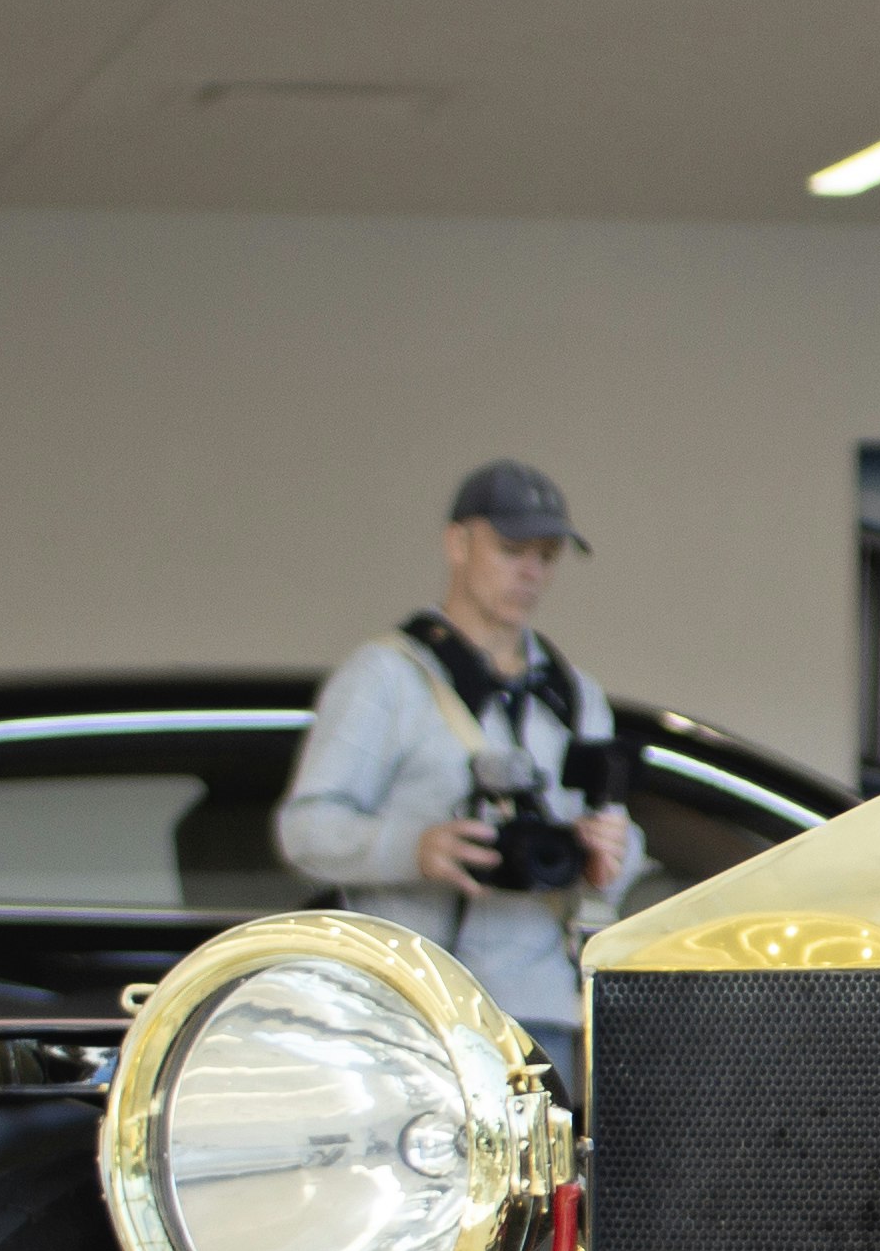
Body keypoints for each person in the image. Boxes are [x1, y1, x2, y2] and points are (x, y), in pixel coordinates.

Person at [273, 460, 641, 1094]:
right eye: (512, 550)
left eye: (547, 556)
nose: (531, 572)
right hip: (411, 1013)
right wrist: (414, 848)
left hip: (538, 1015)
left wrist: (612, 851)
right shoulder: (386, 678)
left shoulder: (574, 694)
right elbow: (305, 830)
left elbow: (616, 846)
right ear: (458, 543)